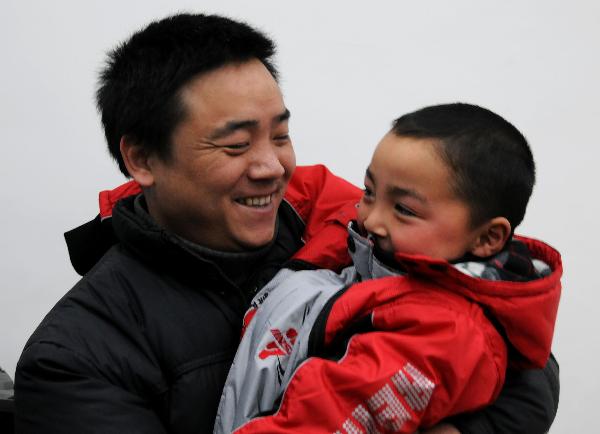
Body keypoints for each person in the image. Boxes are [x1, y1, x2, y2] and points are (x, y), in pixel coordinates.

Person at [14, 13, 559, 434]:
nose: (271, 167)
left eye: (279, 135)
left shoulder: (334, 217)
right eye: (235, 144)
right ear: (142, 160)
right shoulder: (76, 361)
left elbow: (517, 347)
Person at [215, 103, 562, 434]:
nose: (370, 219)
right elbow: (300, 189)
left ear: (487, 237)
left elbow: (325, 417)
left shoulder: (441, 333)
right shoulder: (371, 246)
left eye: (405, 210)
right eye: (369, 191)